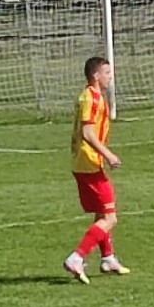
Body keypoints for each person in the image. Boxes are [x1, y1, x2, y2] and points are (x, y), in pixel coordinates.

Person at [63, 57, 130, 284]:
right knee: (110, 218)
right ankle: (77, 256)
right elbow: (88, 133)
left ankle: (108, 257)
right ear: (96, 76)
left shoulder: (91, 96)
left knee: (102, 212)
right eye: (107, 73)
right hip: (89, 163)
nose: (110, 77)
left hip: (84, 163)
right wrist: (108, 154)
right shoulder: (90, 99)